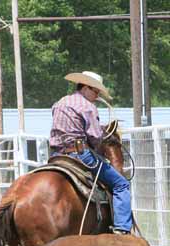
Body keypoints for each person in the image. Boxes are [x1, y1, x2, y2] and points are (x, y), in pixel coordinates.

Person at [49, 71, 132, 235]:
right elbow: (95, 138)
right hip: (80, 155)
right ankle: (122, 230)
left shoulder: (59, 103)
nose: (97, 95)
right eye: (96, 91)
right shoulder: (88, 107)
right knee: (121, 184)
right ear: (86, 88)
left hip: (57, 155)